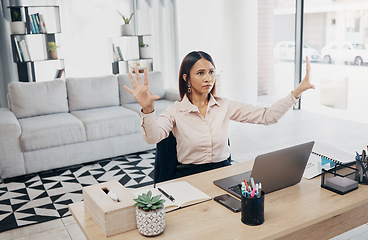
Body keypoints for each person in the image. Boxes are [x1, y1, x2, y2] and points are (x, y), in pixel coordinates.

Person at [124, 51, 315, 178]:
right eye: (200, 73)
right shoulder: (175, 110)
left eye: (211, 72)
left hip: (223, 174)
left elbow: (268, 117)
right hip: (190, 177)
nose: (208, 78)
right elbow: (152, 137)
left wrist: (296, 92)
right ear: (186, 78)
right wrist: (148, 110)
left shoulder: (224, 105)